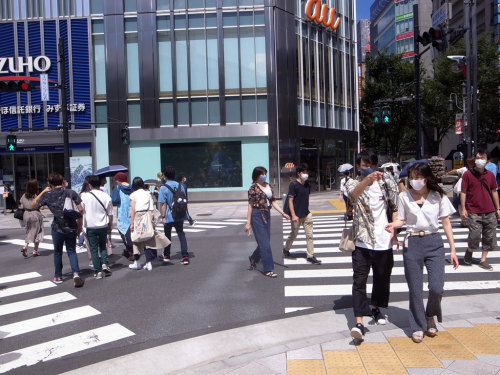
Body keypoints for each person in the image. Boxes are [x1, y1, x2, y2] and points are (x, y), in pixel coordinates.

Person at [385, 162, 459, 343]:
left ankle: (430, 314)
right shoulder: (404, 196)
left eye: (418, 177)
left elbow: (446, 223)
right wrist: (394, 225)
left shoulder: (438, 196)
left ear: (426, 178)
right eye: (412, 177)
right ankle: (418, 325)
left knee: (436, 288)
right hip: (413, 243)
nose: (414, 181)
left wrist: (453, 249)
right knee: (415, 289)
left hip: (434, 242)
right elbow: (401, 219)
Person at [345, 150, 399, 340]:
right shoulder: (353, 182)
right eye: (362, 165)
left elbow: (395, 205)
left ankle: (376, 308)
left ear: (376, 165)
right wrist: (366, 181)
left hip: (384, 239)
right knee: (359, 281)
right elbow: (352, 195)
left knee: (382, 278)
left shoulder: (387, 181)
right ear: (358, 167)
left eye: (370, 165)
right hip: (362, 241)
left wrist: (394, 228)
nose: (366, 168)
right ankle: (358, 322)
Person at [33, 172, 84, 287]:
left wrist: (42, 192)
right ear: (62, 181)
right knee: (71, 251)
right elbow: (80, 209)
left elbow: (34, 204)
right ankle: (75, 273)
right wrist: (79, 225)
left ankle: (58, 276)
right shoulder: (70, 192)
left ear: (50, 183)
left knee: (57, 252)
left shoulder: (48, 195)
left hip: (57, 227)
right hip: (71, 226)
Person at [245, 166, 290, 278]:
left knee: (264, 241)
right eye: (262, 174)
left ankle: (254, 258)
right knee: (265, 243)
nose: (264, 175)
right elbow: (250, 205)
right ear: (257, 175)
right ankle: (268, 268)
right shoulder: (253, 188)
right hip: (257, 215)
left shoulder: (268, 186)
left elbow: (273, 201)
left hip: (266, 214)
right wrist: (248, 222)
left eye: (265, 173)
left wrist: (283, 213)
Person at [460, 148, 500, 271]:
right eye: (478, 158)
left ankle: (483, 260)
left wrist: (498, 208)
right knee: (474, 235)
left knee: (489, 236)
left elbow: (494, 191)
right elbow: (463, 192)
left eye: (482, 158)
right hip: (473, 210)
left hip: (489, 210)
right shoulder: (468, 174)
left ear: (487, 161)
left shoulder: (490, 175)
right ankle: (470, 250)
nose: (480, 160)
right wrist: (463, 208)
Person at [129, 177, 171, 271]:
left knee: (136, 238)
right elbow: (152, 206)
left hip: (138, 216)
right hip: (148, 215)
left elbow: (133, 209)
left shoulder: (133, 195)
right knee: (148, 239)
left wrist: (132, 223)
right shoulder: (147, 193)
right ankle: (148, 262)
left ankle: (137, 262)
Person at [282, 164, 321, 264]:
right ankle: (286, 250)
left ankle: (310, 256)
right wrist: (293, 215)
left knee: (310, 235)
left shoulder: (307, 184)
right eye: (304, 172)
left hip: (306, 213)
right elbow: (290, 200)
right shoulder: (293, 185)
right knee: (294, 234)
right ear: (299, 173)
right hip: (296, 215)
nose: (306, 174)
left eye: (307, 172)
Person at [81, 175, 114, 279]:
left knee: (94, 249)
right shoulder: (106, 196)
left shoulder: (85, 196)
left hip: (90, 226)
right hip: (103, 225)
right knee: (103, 246)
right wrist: (110, 225)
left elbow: (81, 210)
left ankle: (97, 271)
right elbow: (110, 213)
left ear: (90, 185)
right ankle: (104, 263)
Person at [158, 166, 190, 265]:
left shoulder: (163, 188)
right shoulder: (180, 185)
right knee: (181, 234)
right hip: (179, 214)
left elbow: (163, 204)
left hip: (168, 215)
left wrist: (162, 217)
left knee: (167, 235)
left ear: (165, 176)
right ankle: (185, 256)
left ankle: (166, 255)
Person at [111, 172, 134, 261]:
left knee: (124, 233)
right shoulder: (132, 187)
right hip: (133, 212)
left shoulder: (118, 188)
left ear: (119, 179)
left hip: (123, 214)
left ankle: (131, 251)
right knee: (132, 232)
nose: (116, 181)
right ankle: (129, 250)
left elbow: (114, 200)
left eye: (116, 179)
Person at [19, 179, 45, 258]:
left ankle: (26, 246)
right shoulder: (36, 196)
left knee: (29, 231)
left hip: (26, 214)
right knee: (38, 232)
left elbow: (22, 206)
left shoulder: (24, 195)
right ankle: (34, 250)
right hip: (35, 215)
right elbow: (42, 207)